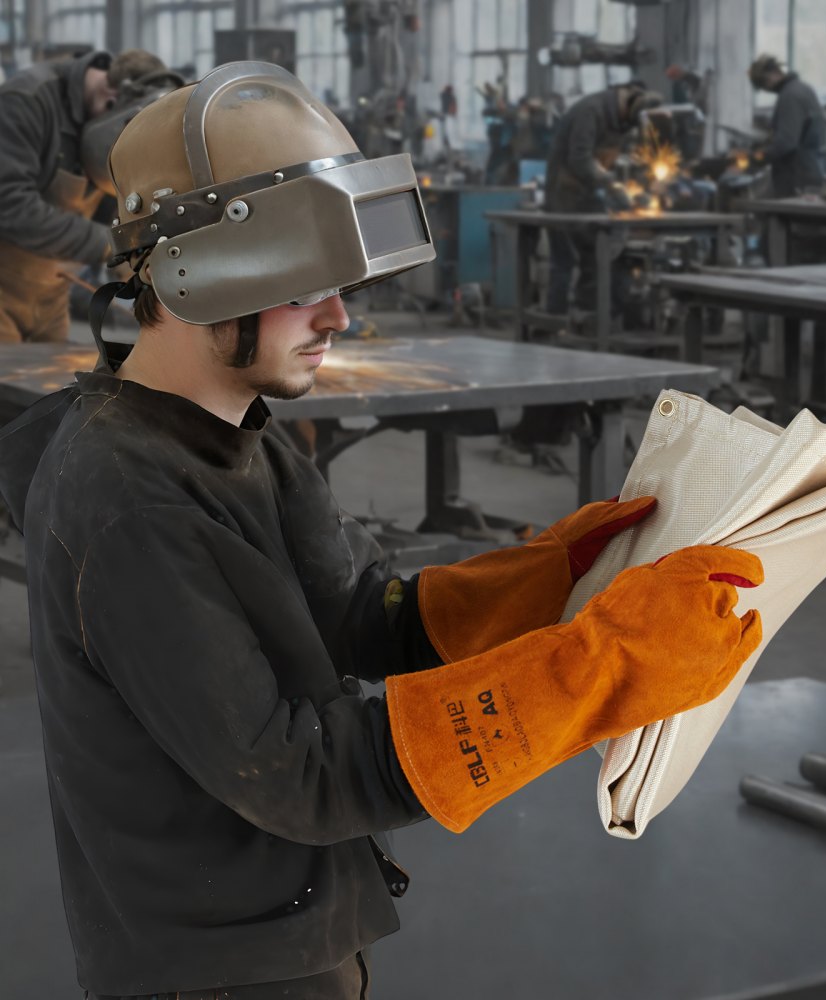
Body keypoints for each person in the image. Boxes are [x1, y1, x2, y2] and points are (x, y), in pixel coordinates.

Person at [0, 62, 764, 1000]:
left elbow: (361, 612)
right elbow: (298, 772)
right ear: (201, 273)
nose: (339, 316)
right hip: (216, 975)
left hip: (288, 931)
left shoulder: (236, 435)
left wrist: (552, 576)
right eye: (305, 284)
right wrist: (597, 666)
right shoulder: (126, 503)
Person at [0, 47, 168, 344]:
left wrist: (136, 251)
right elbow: (11, 206)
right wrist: (111, 246)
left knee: (51, 372)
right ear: (110, 99)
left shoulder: (100, 117)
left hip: (50, 295)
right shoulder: (26, 101)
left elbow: (114, 200)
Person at [542, 80, 661, 316]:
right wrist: (611, 185)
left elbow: (615, 158)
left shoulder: (620, 118)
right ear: (627, 103)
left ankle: (589, 317)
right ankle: (553, 322)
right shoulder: (591, 111)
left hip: (586, 195)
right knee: (564, 261)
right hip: (562, 194)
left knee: (596, 255)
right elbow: (580, 159)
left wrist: (636, 186)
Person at [748, 53, 826, 198]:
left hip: (797, 177)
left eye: (764, 83)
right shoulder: (802, 88)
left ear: (773, 74)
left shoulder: (790, 96)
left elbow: (786, 142)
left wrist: (758, 157)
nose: (766, 88)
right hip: (810, 171)